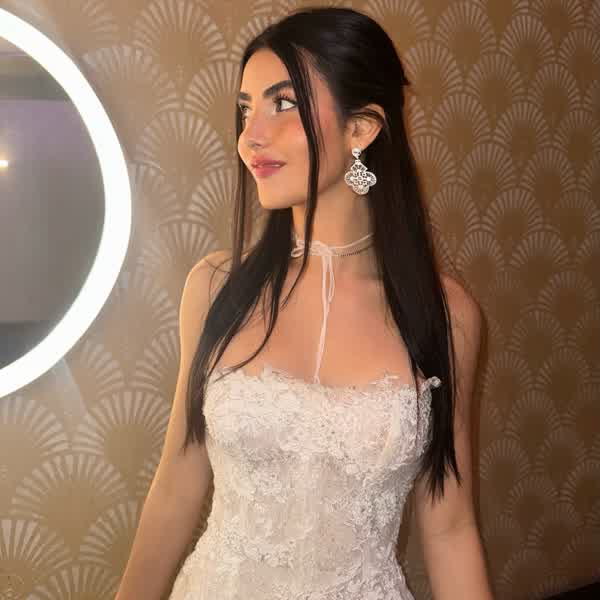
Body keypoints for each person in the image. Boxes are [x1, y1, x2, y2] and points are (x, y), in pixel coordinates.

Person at [115, 6, 495, 600]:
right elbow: (177, 486)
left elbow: (450, 528)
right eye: (246, 109)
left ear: (361, 128)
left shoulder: (446, 315)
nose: (249, 137)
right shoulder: (215, 288)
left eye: (283, 104)